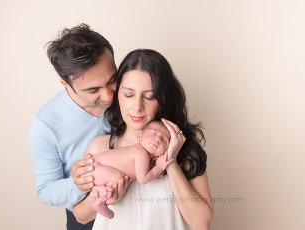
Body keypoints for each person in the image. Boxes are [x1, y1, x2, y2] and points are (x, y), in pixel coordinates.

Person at [72, 49, 214, 230]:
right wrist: (105, 197)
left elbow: (201, 223)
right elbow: (81, 217)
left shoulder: (184, 145)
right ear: (117, 95)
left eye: (149, 96)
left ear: (162, 99)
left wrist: (170, 160)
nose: (137, 107)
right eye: (129, 94)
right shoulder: (101, 146)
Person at [29, 24, 129, 230]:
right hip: (88, 218)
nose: (109, 96)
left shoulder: (130, 92)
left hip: (139, 205)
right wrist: (77, 183)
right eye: (93, 90)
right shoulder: (45, 124)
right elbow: (46, 190)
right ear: (66, 84)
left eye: (112, 80)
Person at [85, 121, 173, 219]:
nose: (158, 139)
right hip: (96, 168)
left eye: (164, 140)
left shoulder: (140, 152)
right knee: (119, 178)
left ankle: (99, 188)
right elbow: (143, 179)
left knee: (118, 178)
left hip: (96, 169)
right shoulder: (140, 152)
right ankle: (99, 202)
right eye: (153, 133)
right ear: (140, 136)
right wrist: (159, 167)